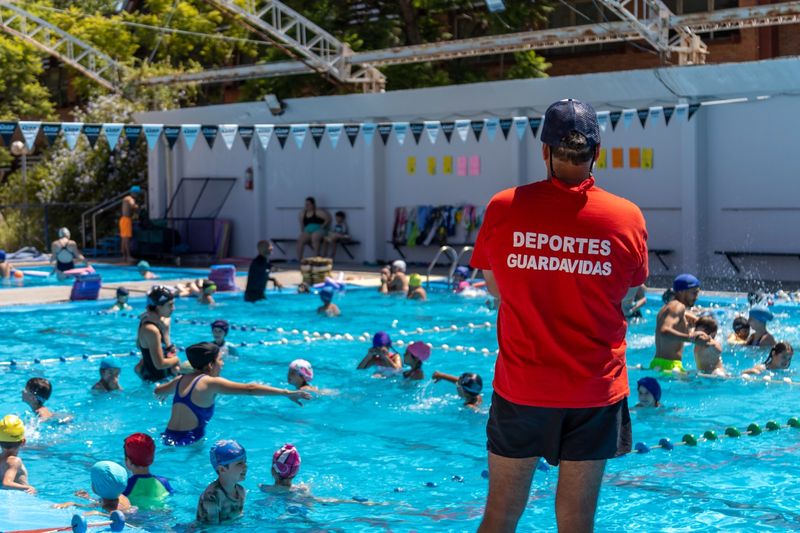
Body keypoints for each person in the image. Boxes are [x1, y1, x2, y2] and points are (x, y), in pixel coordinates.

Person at [469, 99, 649, 532]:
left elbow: (497, 289)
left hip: (523, 388)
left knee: (500, 516)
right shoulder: (626, 217)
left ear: (544, 150)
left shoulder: (504, 207)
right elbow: (630, 292)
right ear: (597, 152)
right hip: (595, 391)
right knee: (576, 521)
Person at [156, 342, 311, 446]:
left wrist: (165, 393)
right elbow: (250, 389)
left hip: (167, 439)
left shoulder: (179, 380)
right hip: (189, 443)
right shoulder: (210, 383)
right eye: (220, 360)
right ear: (210, 364)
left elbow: (158, 391)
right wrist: (286, 393)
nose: (222, 363)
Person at [651, 274, 710, 373]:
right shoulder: (679, 307)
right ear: (682, 291)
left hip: (658, 363)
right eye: (694, 293)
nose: (696, 297)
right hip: (670, 367)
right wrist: (692, 339)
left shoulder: (667, 307)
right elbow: (664, 331)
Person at [135, 285, 181, 382]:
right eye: (170, 305)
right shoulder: (151, 330)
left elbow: (139, 345)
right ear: (158, 307)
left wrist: (165, 332)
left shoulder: (161, 322)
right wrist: (176, 360)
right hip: (156, 383)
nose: (173, 308)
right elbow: (159, 364)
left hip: (164, 377)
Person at [197, 440, 247, 524]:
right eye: (239, 464)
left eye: (245, 462)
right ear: (222, 469)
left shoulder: (241, 491)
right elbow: (210, 529)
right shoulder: (212, 497)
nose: (245, 466)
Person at [122, 433, 174, 508]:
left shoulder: (126, 486)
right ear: (152, 459)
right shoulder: (164, 482)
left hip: (137, 518)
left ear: (128, 461)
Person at [57, 461, 132, 513]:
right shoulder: (120, 496)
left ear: (96, 488)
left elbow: (117, 516)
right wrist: (88, 498)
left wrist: (72, 503)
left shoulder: (108, 507)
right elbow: (99, 502)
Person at [0, 415, 35, 493]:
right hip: (21, 495)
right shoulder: (14, 461)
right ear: (23, 442)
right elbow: (6, 483)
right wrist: (28, 487)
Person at [120, 188, 140, 263]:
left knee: (124, 239)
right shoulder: (130, 199)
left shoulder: (126, 198)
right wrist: (137, 207)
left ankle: (124, 256)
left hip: (123, 219)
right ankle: (128, 256)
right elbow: (133, 205)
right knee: (126, 239)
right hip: (126, 220)